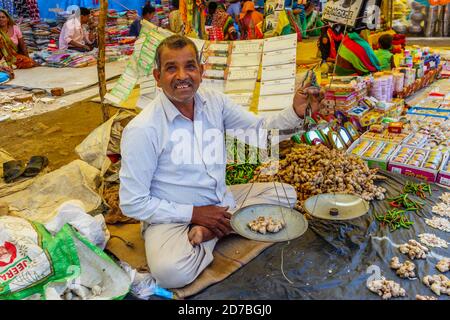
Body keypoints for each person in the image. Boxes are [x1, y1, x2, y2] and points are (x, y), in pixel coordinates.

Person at [119, 35, 323, 289]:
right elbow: (132, 202)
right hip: (171, 215)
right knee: (170, 273)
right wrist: (194, 213)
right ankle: (226, 225)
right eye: (171, 68)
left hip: (220, 201)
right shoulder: (143, 129)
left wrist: (296, 112)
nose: (182, 75)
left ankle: (212, 231)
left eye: (190, 66)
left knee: (287, 196)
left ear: (201, 71)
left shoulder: (214, 102)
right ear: (157, 77)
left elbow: (260, 131)